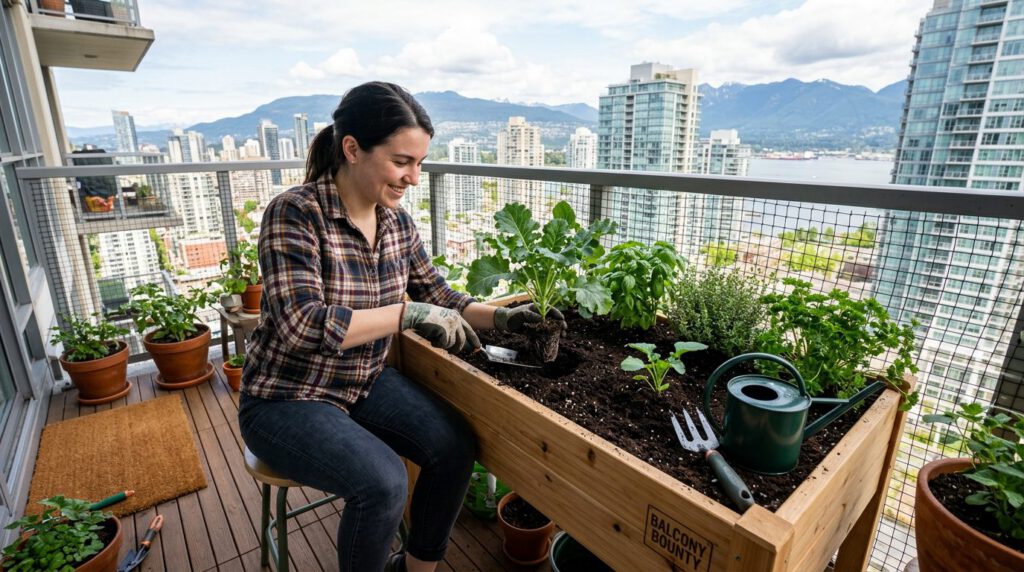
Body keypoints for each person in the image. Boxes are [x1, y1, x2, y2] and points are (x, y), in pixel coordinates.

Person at [238, 81, 560, 572]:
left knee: (454, 448)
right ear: (352, 149)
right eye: (402, 161)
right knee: (384, 483)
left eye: (420, 163)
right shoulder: (296, 213)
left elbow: (440, 297)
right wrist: (405, 314)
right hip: (286, 398)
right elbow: (301, 325)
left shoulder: (397, 225)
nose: (413, 177)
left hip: (361, 381)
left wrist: (505, 317)